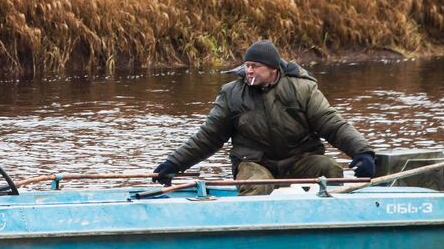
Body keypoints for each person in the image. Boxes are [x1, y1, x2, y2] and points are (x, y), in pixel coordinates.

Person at [153, 40, 376, 196]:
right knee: (257, 186)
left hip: (299, 159)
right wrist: (174, 164)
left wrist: (361, 152)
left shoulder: (303, 89)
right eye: (247, 66)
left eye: (255, 67)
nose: (249, 71)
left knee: (330, 170)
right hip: (255, 163)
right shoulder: (232, 94)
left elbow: (332, 123)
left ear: (273, 69)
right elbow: (208, 137)